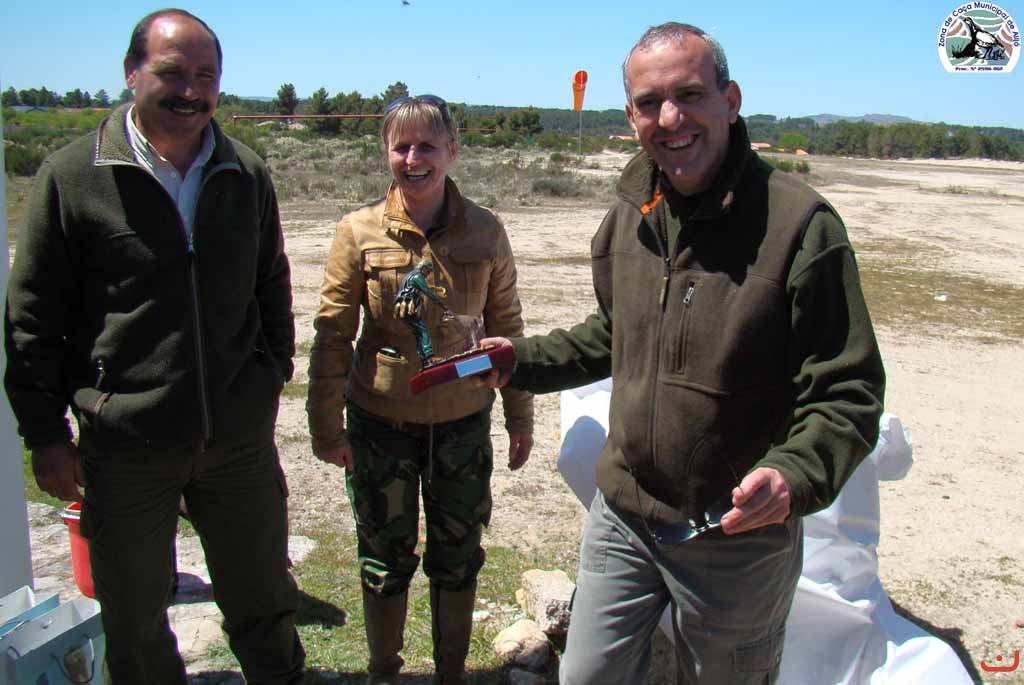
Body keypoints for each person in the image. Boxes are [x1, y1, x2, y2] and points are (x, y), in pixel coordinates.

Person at [480, 22, 886, 684]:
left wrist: (793, 473)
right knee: (587, 676)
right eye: (650, 102)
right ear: (630, 116)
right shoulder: (630, 213)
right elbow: (615, 334)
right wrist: (518, 360)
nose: (670, 118)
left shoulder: (800, 227)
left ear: (731, 100)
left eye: (690, 95)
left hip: (735, 536)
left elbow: (850, 390)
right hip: (624, 515)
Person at [4, 9, 304, 683]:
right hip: (126, 449)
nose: (191, 91)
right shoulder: (73, 175)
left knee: (265, 603)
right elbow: (32, 318)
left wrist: (269, 372)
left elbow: (271, 282)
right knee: (135, 623)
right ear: (131, 72)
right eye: (173, 73)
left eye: (207, 76)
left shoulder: (245, 172)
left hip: (237, 444)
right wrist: (46, 435)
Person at [306, 94, 534, 685]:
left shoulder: (486, 229)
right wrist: (325, 426)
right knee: (384, 559)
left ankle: (450, 674)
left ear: (452, 151)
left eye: (427, 146)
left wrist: (520, 417)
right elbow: (333, 335)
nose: (414, 159)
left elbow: (507, 328)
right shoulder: (357, 231)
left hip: (462, 425)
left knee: (458, 557)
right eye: (401, 146)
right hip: (381, 426)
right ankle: (384, 673)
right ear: (386, 152)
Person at [393, 257, 452, 365]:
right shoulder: (417, 276)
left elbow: (421, 288)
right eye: (428, 271)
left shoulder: (410, 275)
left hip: (403, 307)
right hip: (407, 307)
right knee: (423, 329)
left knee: (418, 332)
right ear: (423, 268)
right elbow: (427, 292)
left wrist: (435, 289)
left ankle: (424, 359)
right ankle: (429, 357)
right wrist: (444, 307)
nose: (428, 274)